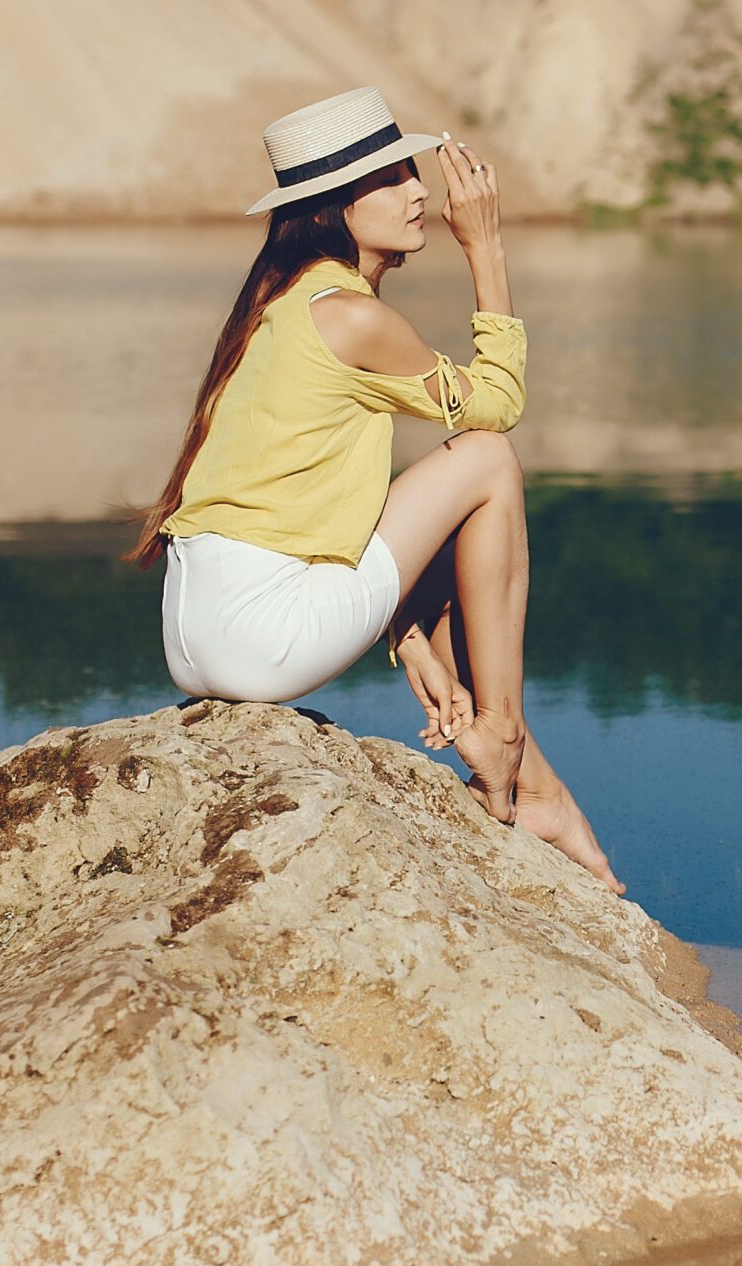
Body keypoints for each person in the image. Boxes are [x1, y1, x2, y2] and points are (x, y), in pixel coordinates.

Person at [126, 87, 622, 893]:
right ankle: (502, 736)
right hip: (264, 636)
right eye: (390, 178)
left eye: (410, 169)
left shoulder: (278, 306)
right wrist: (487, 252)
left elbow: (318, 506)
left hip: (199, 639)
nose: (420, 189)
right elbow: (497, 406)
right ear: (332, 208)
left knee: (452, 501)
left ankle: (537, 789)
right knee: (487, 461)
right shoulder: (349, 316)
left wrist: (412, 636)